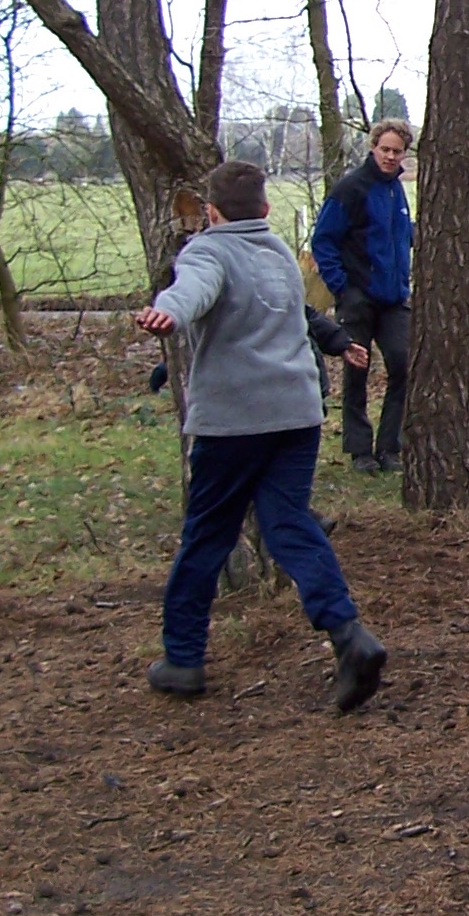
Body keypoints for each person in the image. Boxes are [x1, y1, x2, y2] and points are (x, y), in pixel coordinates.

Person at [136, 159, 388, 712]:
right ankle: (349, 636)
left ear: (211, 212)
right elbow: (286, 313)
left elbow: (191, 290)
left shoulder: (206, 251)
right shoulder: (277, 252)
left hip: (235, 421)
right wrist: (335, 340)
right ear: (266, 209)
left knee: (207, 534)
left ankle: (183, 659)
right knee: (289, 524)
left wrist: (166, 312)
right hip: (297, 413)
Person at [311, 119, 414, 473]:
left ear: (404, 153)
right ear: (373, 148)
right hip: (358, 296)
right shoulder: (351, 188)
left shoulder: (396, 190)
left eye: (397, 151)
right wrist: (342, 287)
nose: (390, 156)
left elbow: (398, 236)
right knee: (357, 370)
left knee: (403, 364)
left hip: (394, 299)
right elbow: (324, 240)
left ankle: (389, 447)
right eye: (385, 149)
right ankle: (360, 451)